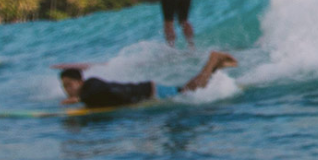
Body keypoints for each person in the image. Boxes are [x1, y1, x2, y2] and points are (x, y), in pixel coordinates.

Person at [58, 51, 239, 108]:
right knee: (190, 88)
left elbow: (98, 90)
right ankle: (215, 66)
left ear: (80, 81)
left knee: (193, 91)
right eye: (65, 87)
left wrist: (80, 99)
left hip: (150, 92)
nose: (68, 89)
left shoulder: (91, 84)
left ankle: (213, 60)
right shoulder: (88, 93)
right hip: (148, 90)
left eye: (69, 85)